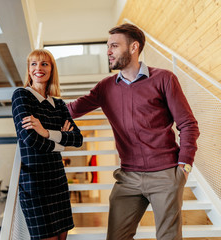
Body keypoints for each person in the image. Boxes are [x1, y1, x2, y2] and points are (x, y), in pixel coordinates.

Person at [67, 23, 200, 240]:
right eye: (107, 46)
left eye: (114, 46)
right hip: (128, 177)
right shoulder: (105, 87)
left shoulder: (164, 79)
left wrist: (184, 166)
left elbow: (187, 124)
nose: (108, 51)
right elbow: (71, 110)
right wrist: (34, 107)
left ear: (133, 47)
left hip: (165, 174)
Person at [12, 49, 83, 240]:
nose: (39, 68)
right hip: (35, 183)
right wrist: (61, 143)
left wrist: (46, 132)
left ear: (51, 69)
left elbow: (77, 139)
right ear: (28, 70)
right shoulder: (21, 96)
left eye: (45, 64)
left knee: (62, 238)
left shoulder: (58, 105)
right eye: (33, 64)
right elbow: (30, 139)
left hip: (57, 179)